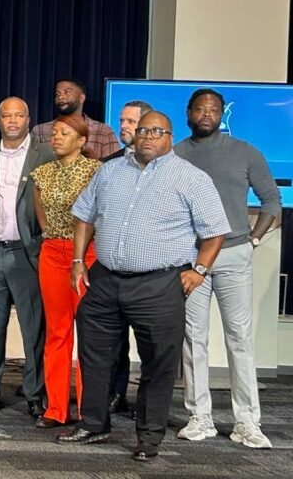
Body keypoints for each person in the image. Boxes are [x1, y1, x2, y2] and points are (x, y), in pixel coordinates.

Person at [59, 111, 230, 462]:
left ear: (170, 137)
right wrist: (78, 260)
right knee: (94, 354)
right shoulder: (110, 171)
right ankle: (94, 424)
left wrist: (198, 270)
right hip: (105, 278)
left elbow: (215, 232)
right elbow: (84, 216)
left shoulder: (191, 178)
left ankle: (149, 437)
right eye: (143, 131)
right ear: (134, 135)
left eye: (157, 131)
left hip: (159, 283)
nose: (149, 137)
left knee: (158, 362)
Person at [175, 88, 281, 449]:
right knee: (194, 339)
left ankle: (247, 421)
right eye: (200, 109)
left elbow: (271, 200)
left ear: (222, 114)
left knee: (239, 338)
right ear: (188, 113)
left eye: (213, 109)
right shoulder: (176, 154)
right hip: (191, 258)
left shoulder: (245, 152)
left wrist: (253, 240)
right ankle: (200, 417)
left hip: (235, 253)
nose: (206, 114)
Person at [0, 97, 54, 417]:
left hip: (27, 253)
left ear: (28, 119)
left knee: (33, 328)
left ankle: (34, 393)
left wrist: (41, 241)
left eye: (18, 115)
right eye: (6, 116)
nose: (12, 121)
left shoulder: (45, 155)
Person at [29, 116, 102, 428]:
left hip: (86, 254)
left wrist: (79, 250)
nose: (56, 137)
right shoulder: (42, 173)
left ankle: (89, 409)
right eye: (55, 132)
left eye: (65, 133)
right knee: (57, 331)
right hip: (53, 253)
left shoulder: (96, 170)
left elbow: (99, 215)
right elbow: (42, 217)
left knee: (88, 332)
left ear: (82, 140)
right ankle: (56, 408)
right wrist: (54, 237)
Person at [101, 99, 151, 415]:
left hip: (153, 271)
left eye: (130, 121)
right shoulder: (109, 165)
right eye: (122, 120)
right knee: (115, 337)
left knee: (151, 342)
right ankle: (116, 394)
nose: (123, 126)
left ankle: (148, 405)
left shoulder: (167, 166)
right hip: (114, 268)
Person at [31, 78, 118, 160]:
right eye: (57, 94)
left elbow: (113, 165)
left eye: (67, 92)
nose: (61, 97)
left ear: (81, 98)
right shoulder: (40, 131)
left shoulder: (103, 131)